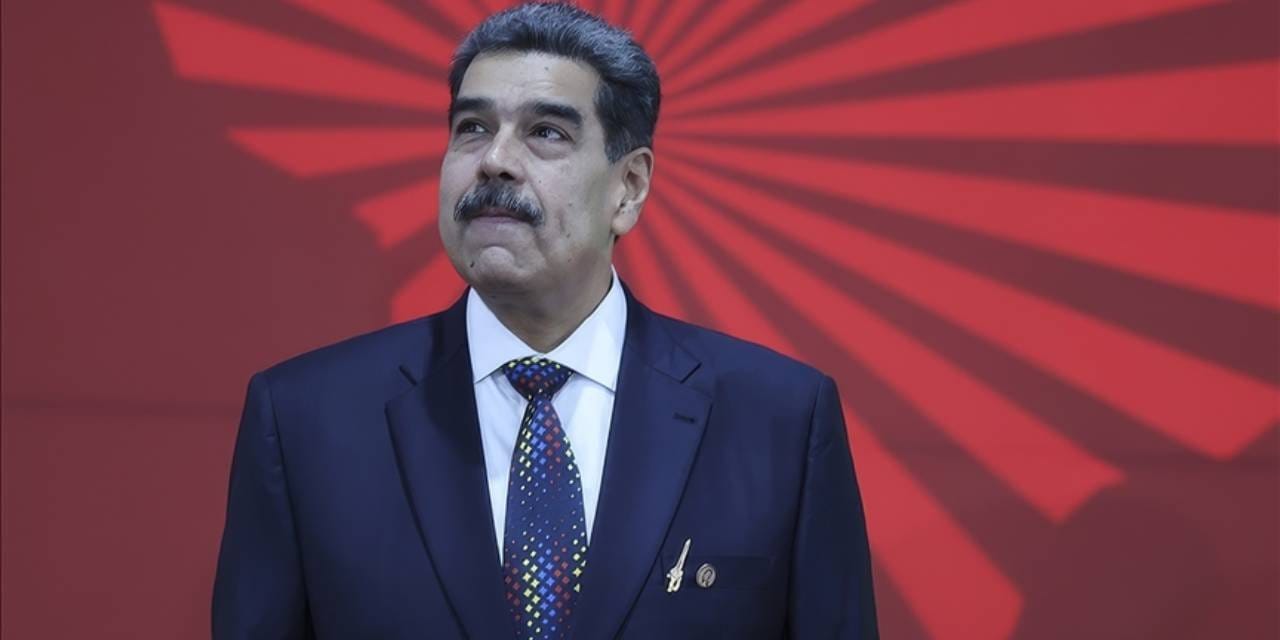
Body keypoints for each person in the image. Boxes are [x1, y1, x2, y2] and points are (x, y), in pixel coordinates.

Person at [211, 3, 877, 638]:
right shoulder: (305, 420)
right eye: (472, 127)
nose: (494, 160)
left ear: (629, 188)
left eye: (545, 132)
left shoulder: (778, 419)